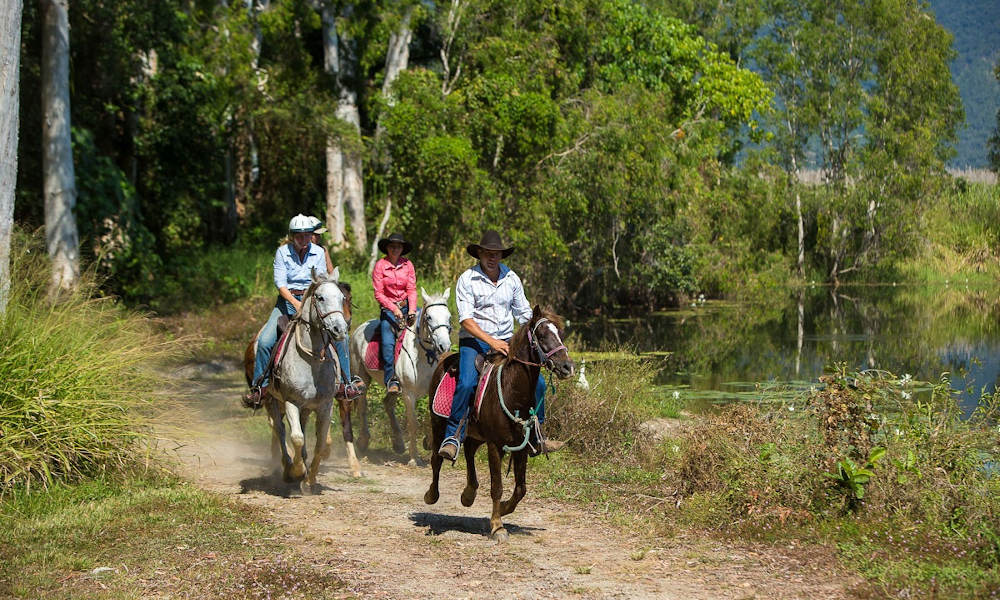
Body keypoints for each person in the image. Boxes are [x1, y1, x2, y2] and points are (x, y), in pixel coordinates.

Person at [437, 230, 563, 460]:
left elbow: (523, 312)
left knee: (540, 383)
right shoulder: (467, 279)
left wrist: (541, 323)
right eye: (487, 253)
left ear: (501, 256)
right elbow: (466, 320)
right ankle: (452, 436)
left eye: (496, 254)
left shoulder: (511, 278)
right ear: (479, 254)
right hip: (474, 342)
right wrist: (492, 341)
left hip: (506, 343)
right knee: (466, 383)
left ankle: (537, 435)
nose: (492, 258)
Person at [307, 216, 366, 400]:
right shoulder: (290, 252)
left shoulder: (323, 251)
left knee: (342, 336)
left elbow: (332, 276)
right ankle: (264, 382)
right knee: (270, 337)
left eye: (318, 235)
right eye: (315, 235)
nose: (318, 238)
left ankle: (346, 381)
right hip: (301, 300)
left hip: (322, 299)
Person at [371, 232, 417, 395]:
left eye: (399, 246)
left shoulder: (408, 265)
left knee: (429, 327)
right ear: (387, 248)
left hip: (407, 305)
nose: (396, 249)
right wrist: (394, 309)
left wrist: (412, 309)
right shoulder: (380, 266)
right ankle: (391, 379)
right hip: (389, 310)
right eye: (392, 246)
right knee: (387, 341)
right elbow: (379, 294)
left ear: (402, 248)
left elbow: (411, 289)